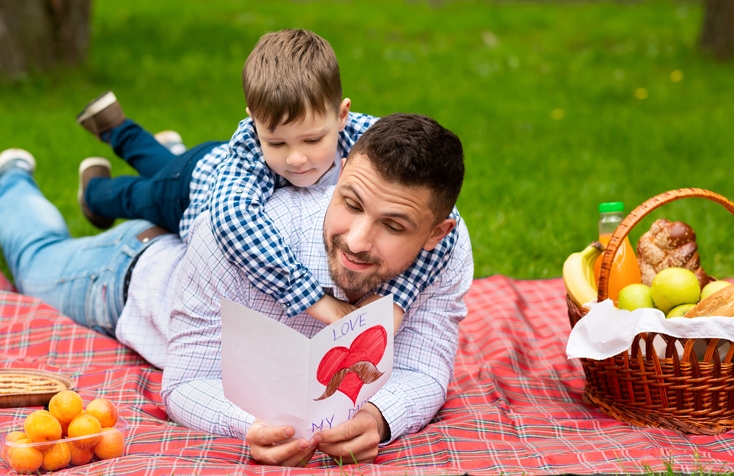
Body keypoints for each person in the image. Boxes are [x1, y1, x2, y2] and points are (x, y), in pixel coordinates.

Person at [0, 113, 472, 466]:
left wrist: (379, 417)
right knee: (34, 256)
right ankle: (12, 181)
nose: (357, 240)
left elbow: (425, 367)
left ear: (436, 233)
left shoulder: (445, 253)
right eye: (350, 203)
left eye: (393, 225)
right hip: (126, 275)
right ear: (342, 172)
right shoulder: (246, 234)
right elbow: (184, 383)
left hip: (189, 244)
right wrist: (249, 426)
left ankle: (170, 154)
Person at [75, 28, 458, 328]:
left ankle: (119, 128)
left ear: (342, 116)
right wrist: (313, 299)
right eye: (275, 142)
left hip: (201, 160)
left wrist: (395, 300)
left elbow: (438, 215)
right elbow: (233, 219)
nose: (296, 158)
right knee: (140, 195)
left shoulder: (371, 139)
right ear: (253, 121)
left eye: (312, 139)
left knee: (160, 161)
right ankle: (94, 192)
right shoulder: (249, 148)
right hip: (190, 188)